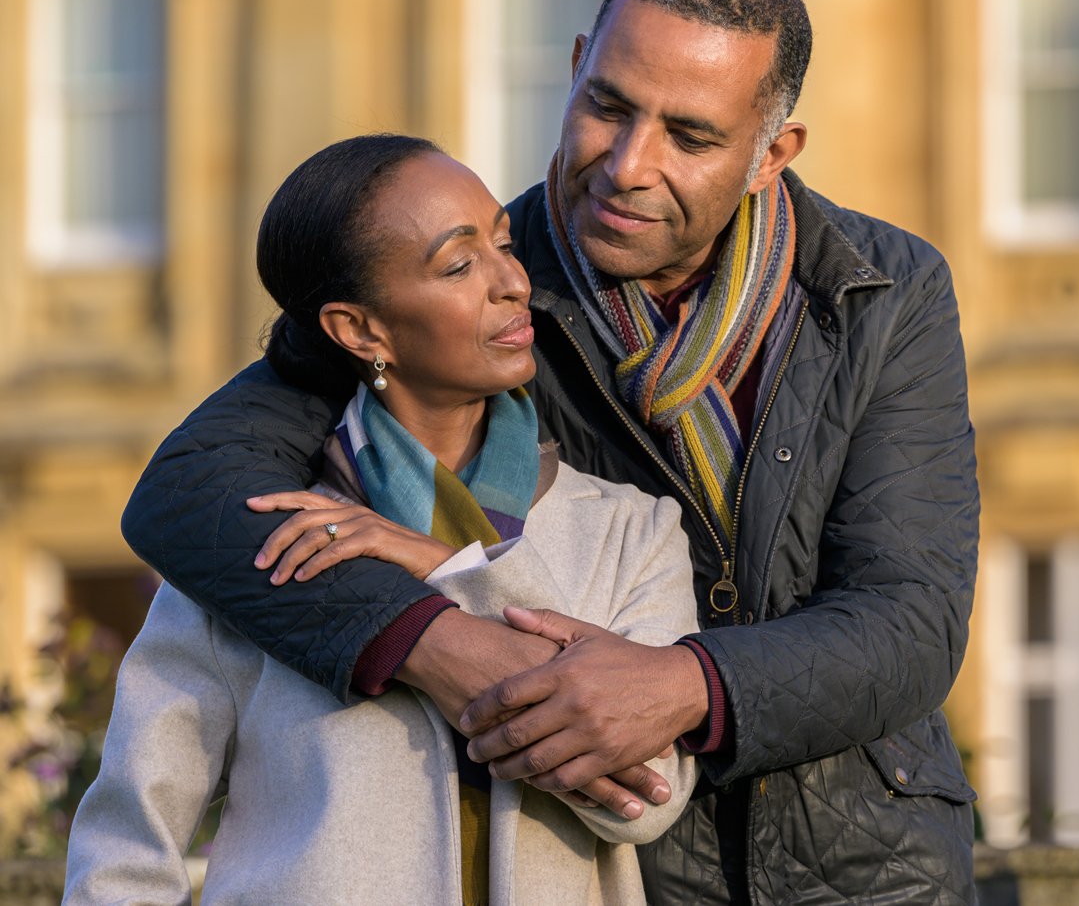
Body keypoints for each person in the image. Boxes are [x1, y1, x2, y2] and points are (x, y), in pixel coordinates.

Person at [120, 0, 980, 904]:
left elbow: (910, 618)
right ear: (574, 68)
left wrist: (683, 683)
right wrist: (441, 643)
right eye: (608, 105)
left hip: (872, 871)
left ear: (769, 156)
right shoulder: (473, 289)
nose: (628, 165)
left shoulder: (887, 290)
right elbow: (188, 494)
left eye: (690, 137)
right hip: (637, 865)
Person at [67, 134, 697, 905]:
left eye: (505, 244)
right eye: (459, 265)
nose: (512, 283)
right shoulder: (262, 540)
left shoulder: (634, 533)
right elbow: (126, 848)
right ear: (361, 330)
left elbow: (647, 800)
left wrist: (442, 563)